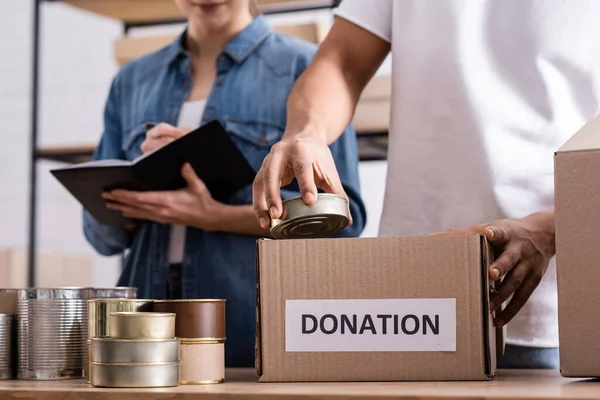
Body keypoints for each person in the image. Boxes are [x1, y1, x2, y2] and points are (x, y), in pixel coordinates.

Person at [252, 0, 600, 369]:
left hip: (554, 307)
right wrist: (308, 132)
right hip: (408, 303)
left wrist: (551, 229)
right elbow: (342, 61)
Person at [83, 0, 366, 368]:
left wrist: (214, 215)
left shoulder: (306, 71)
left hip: (248, 319)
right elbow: (100, 236)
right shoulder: (131, 81)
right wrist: (137, 199)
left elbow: (346, 222)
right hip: (143, 320)